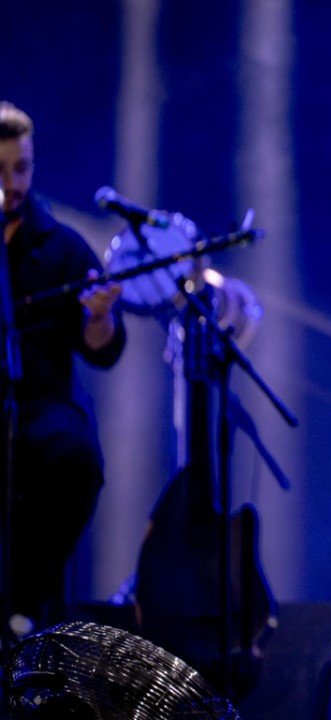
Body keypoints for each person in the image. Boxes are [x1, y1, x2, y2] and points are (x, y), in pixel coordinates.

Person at [0, 101, 125, 636]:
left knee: (77, 458)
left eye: (21, 169)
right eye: (0, 171)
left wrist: (99, 318)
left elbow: (103, 350)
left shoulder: (64, 246)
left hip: (38, 407)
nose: (12, 184)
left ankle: (21, 606)